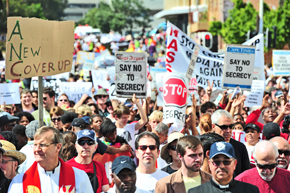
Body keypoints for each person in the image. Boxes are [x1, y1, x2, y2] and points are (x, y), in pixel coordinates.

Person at [8, 126, 94, 193]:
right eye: (35, 145)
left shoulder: (78, 177)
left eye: (42, 145)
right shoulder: (20, 181)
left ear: (58, 147)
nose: (36, 149)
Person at [188, 141, 259, 193]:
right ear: (209, 164)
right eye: (216, 162)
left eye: (226, 162)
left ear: (235, 164)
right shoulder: (195, 192)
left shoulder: (250, 190)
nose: (221, 166)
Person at [211, 110, 251, 176]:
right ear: (213, 127)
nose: (228, 130)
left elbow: (246, 173)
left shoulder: (240, 147)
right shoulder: (207, 146)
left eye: (231, 127)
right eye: (224, 127)